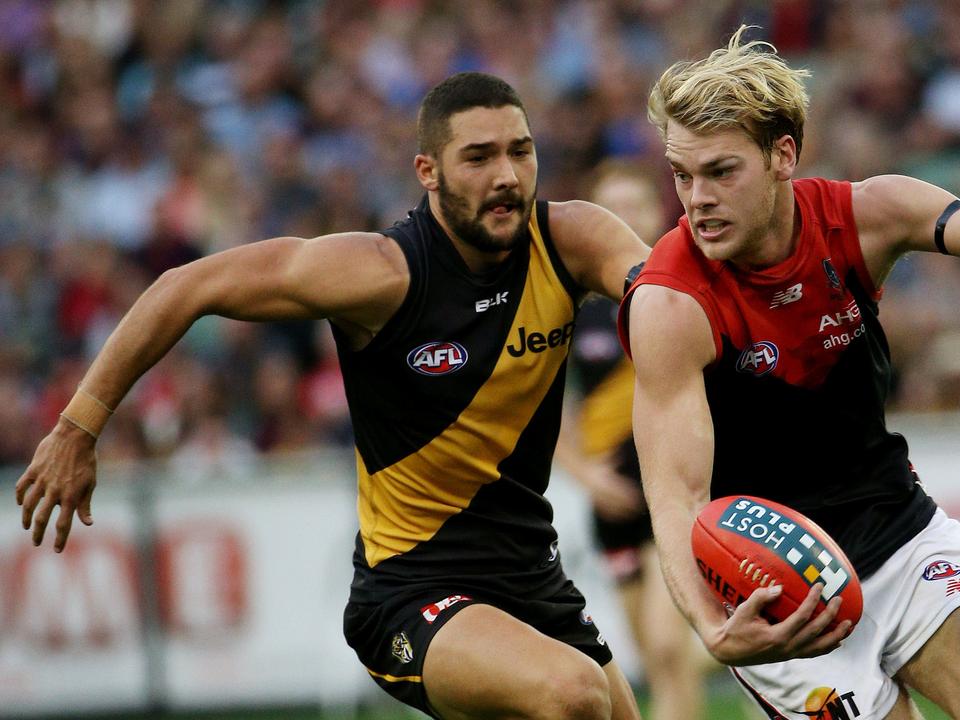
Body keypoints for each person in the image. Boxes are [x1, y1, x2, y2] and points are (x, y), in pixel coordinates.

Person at [14, 72, 649, 720]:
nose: (508, 175)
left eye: (521, 149)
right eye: (479, 157)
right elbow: (183, 287)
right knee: (573, 695)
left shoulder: (572, 240)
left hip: (531, 579)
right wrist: (77, 428)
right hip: (411, 592)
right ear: (428, 171)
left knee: (601, 702)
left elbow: (664, 297)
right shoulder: (380, 275)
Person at [620, 28, 960, 720]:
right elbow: (674, 499)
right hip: (778, 583)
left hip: (899, 531)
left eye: (722, 172)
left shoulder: (866, 216)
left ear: (783, 154)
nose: (697, 199)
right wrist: (716, 630)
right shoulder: (669, 302)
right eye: (682, 175)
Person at [557, 160, 708, 720]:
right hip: (613, 502)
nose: (624, 218)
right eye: (610, 208)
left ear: (658, 211)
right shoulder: (573, 309)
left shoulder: (684, 290)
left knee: (671, 648)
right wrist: (585, 476)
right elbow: (548, 410)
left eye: (635, 206)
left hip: (672, 494)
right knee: (652, 657)